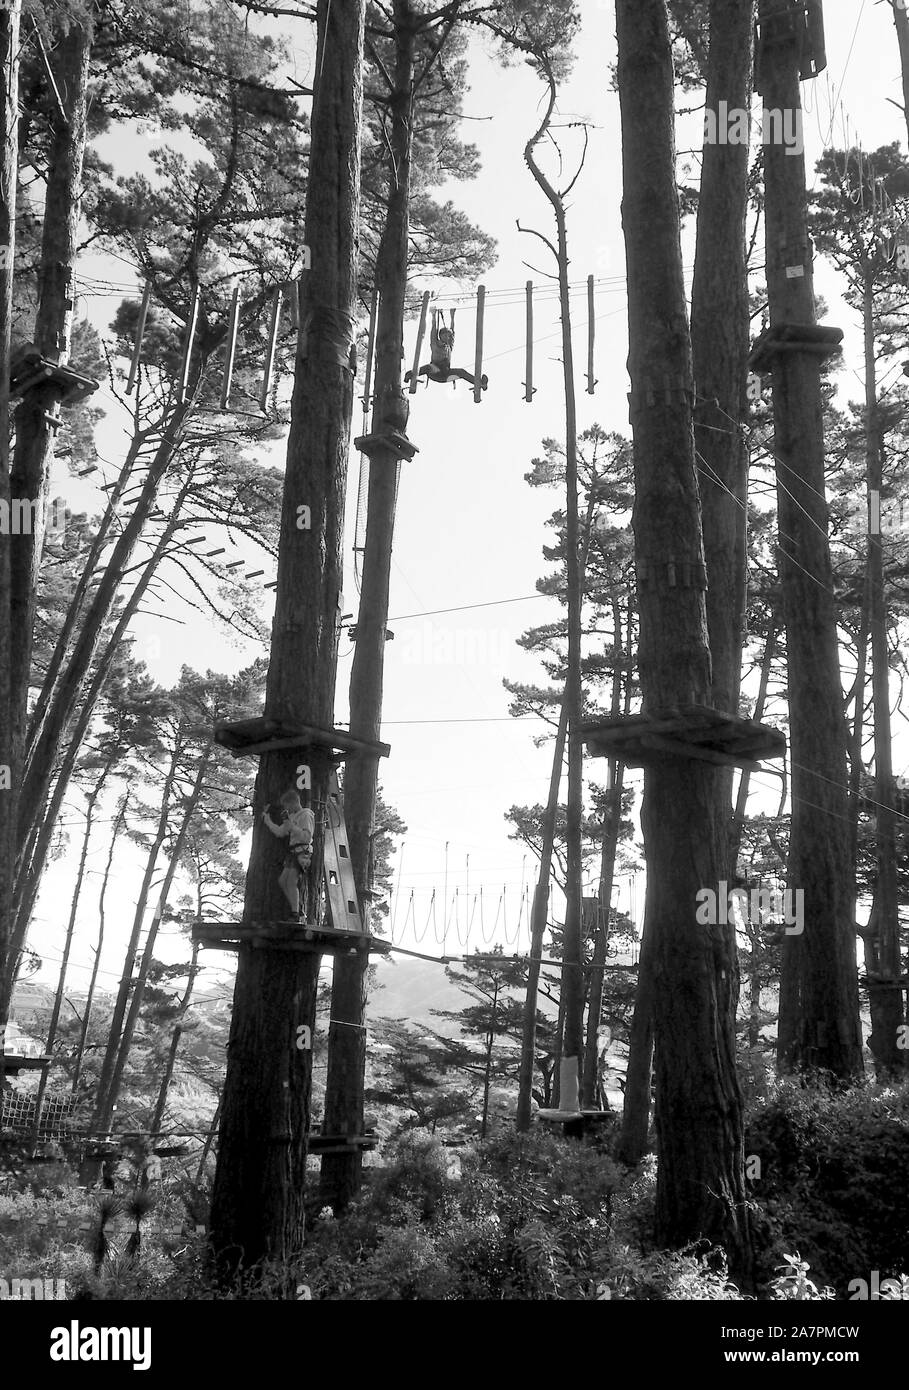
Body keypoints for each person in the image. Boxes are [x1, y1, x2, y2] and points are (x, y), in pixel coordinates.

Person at [405, 307, 488, 390]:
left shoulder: (449, 346)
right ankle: (410, 374)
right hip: (434, 373)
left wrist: (452, 316)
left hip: (446, 375)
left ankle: (480, 383)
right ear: (440, 336)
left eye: (448, 336)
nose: (447, 337)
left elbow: (452, 331)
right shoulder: (435, 344)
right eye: (445, 335)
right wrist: (434, 315)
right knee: (429, 367)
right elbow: (434, 329)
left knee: (462, 372)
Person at [262, 790, 316, 919]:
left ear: (293, 802)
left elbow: (306, 837)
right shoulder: (291, 817)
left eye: (287, 805)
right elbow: (280, 832)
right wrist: (267, 820)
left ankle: (295, 913)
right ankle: (297, 908)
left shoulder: (306, 814)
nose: (286, 809)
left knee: (291, 881)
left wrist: (291, 826)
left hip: (303, 851)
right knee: (282, 881)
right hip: (293, 852)